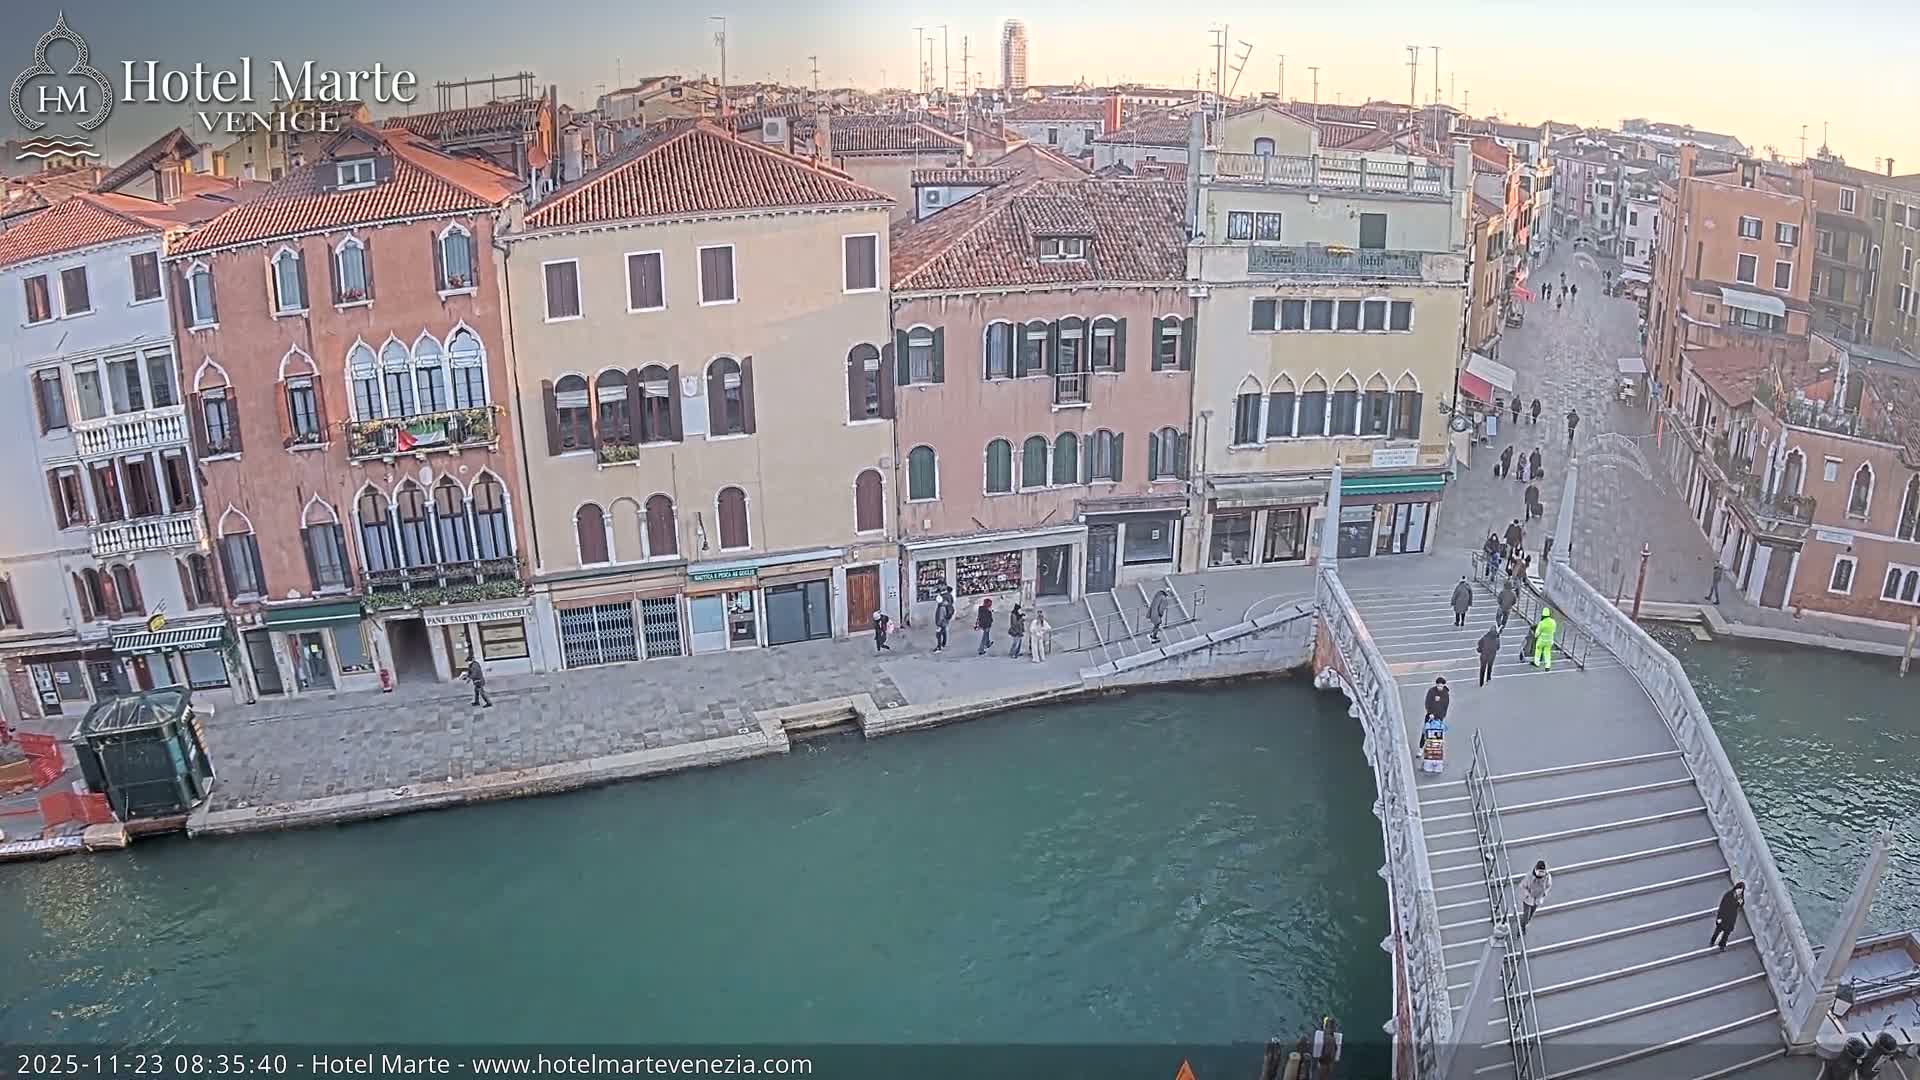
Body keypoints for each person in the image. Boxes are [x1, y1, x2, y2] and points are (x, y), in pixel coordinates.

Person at [1711, 881, 1746, 950]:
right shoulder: (1728, 895)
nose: (1739, 892)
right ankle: (1713, 941)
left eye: (1741, 891)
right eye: (1739, 890)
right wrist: (1719, 917)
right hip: (1724, 915)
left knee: (1727, 933)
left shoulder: (1740, 897)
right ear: (1736, 888)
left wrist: (1740, 903)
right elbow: (1722, 906)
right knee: (1718, 930)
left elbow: (1740, 905)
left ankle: (1722, 945)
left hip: (1731, 917)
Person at [1519, 860, 1552, 930]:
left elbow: (1549, 885)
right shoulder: (1529, 876)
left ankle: (1526, 922)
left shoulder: (1547, 877)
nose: (1541, 873)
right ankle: (1522, 926)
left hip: (1537, 899)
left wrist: (1544, 893)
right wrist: (1527, 894)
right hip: (1528, 899)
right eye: (1539, 871)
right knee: (1526, 914)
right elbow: (1522, 886)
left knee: (1532, 913)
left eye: (1542, 872)